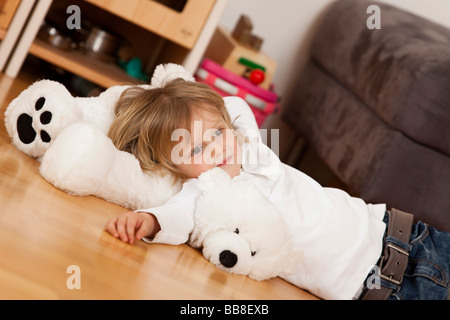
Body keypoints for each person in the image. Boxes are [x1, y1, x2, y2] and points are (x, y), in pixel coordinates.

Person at [104, 78, 449, 300]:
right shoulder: (207, 192)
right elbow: (176, 216)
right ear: (172, 166)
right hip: (388, 291)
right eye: (193, 149)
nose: (215, 148)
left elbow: (234, 107)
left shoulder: (251, 147)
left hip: (406, 234)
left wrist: (173, 96)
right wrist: (148, 221)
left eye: (217, 133)